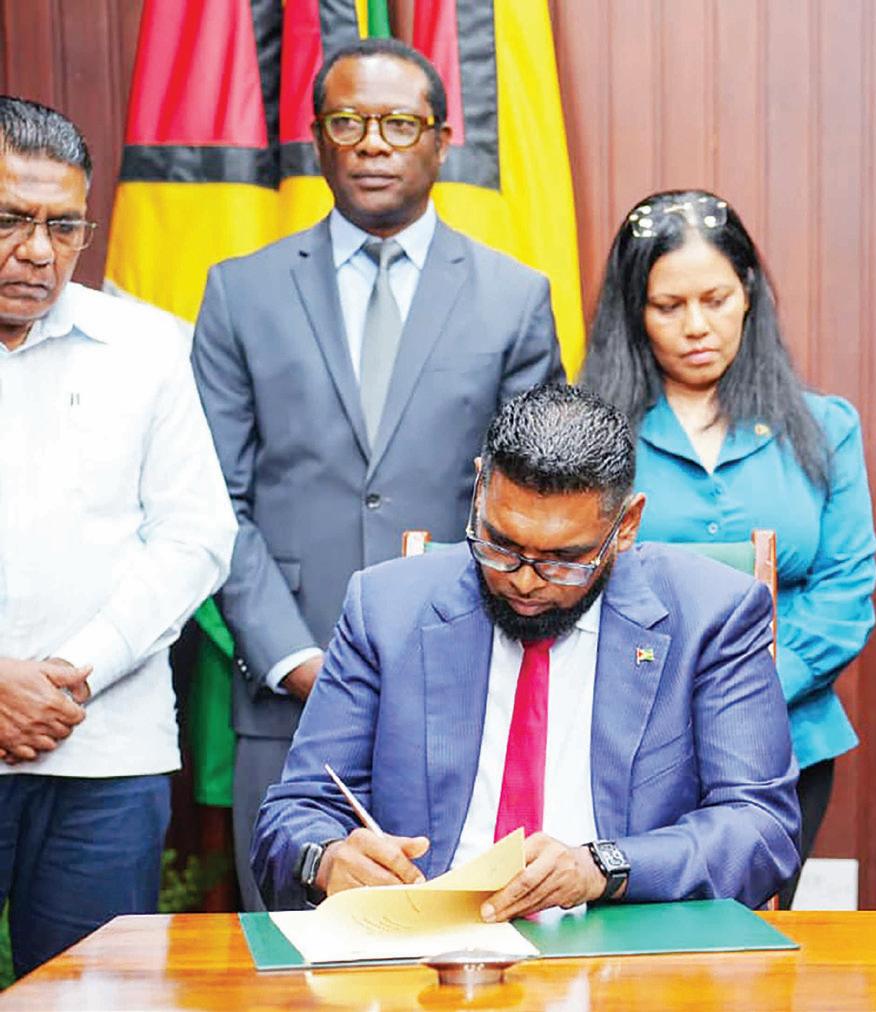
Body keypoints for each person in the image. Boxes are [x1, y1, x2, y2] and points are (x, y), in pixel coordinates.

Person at [191, 37, 562, 909]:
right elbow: (211, 502)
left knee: (458, 932)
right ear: (316, 138)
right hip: (284, 689)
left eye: (398, 123)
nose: (371, 144)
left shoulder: (514, 297)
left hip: (460, 677)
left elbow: (529, 507)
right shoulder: (240, 293)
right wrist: (293, 658)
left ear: (441, 141)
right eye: (348, 122)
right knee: (290, 939)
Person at [252, 384, 800, 913]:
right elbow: (294, 814)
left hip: (623, 948)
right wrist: (326, 861)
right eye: (501, 545)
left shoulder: (710, 615)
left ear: (626, 525)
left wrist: (602, 869)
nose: (525, 580)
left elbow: (761, 829)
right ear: (480, 491)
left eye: (564, 559)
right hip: (428, 950)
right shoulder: (386, 609)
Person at [581, 189, 876, 908]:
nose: (697, 326)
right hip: (624, 747)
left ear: (748, 295)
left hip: (786, 741)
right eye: (668, 306)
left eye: (715, 300)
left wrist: (743, 695)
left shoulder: (825, 427)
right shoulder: (587, 432)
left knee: (749, 948)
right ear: (633, 312)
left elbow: (845, 594)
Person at [0, 96, 236, 974]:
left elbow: (196, 535)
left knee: (96, 996)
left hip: (102, 750)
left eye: (64, 226)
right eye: (10, 219)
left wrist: (74, 669)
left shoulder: (144, 346)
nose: (38, 250)